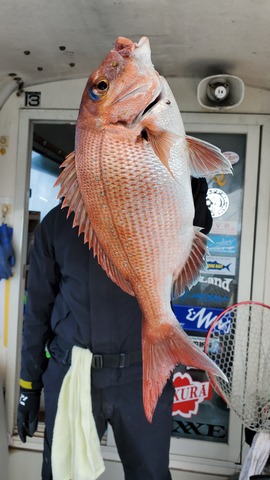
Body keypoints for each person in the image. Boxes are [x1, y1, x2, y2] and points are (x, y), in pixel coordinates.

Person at [17, 177, 212, 480]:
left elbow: (193, 234)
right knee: (62, 474)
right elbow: (37, 312)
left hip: (142, 376)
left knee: (151, 475)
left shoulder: (154, 216)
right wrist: (28, 385)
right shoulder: (58, 223)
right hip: (72, 377)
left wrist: (192, 193)